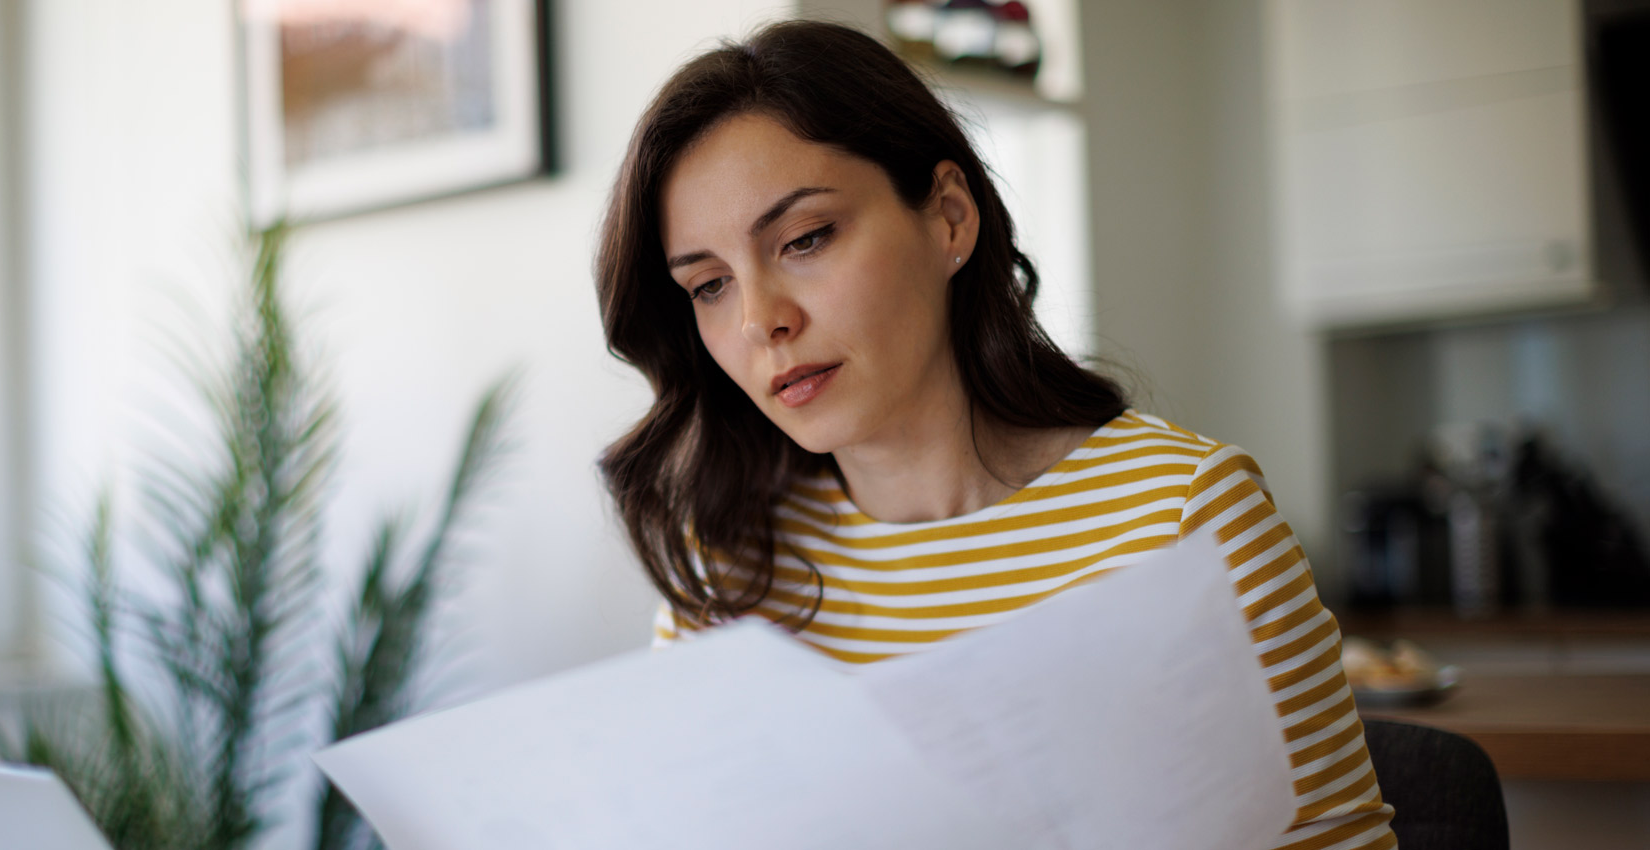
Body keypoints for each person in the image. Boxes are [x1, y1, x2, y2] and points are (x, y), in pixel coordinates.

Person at [593, 19, 1397, 850]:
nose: (761, 320)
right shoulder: (724, 561)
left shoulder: (1184, 517)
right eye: (710, 285)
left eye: (804, 240)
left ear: (948, 218)